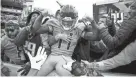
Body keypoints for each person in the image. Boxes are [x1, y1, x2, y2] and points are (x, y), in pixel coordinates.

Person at [32, 4, 99, 76]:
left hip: (66, 58)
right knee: (38, 75)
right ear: (60, 18)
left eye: (69, 22)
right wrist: (41, 15)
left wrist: (92, 21)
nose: (66, 23)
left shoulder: (78, 29)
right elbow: (36, 29)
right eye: (64, 21)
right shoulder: (55, 25)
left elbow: (96, 37)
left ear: (75, 20)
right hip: (52, 56)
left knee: (61, 70)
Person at [83, 1, 136, 74]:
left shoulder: (131, 22)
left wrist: (96, 25)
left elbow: (111, 43)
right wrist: (110, 26)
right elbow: (118, 38)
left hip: (114, 65)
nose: (128, 11)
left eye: (132, 8)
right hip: (111, 61)